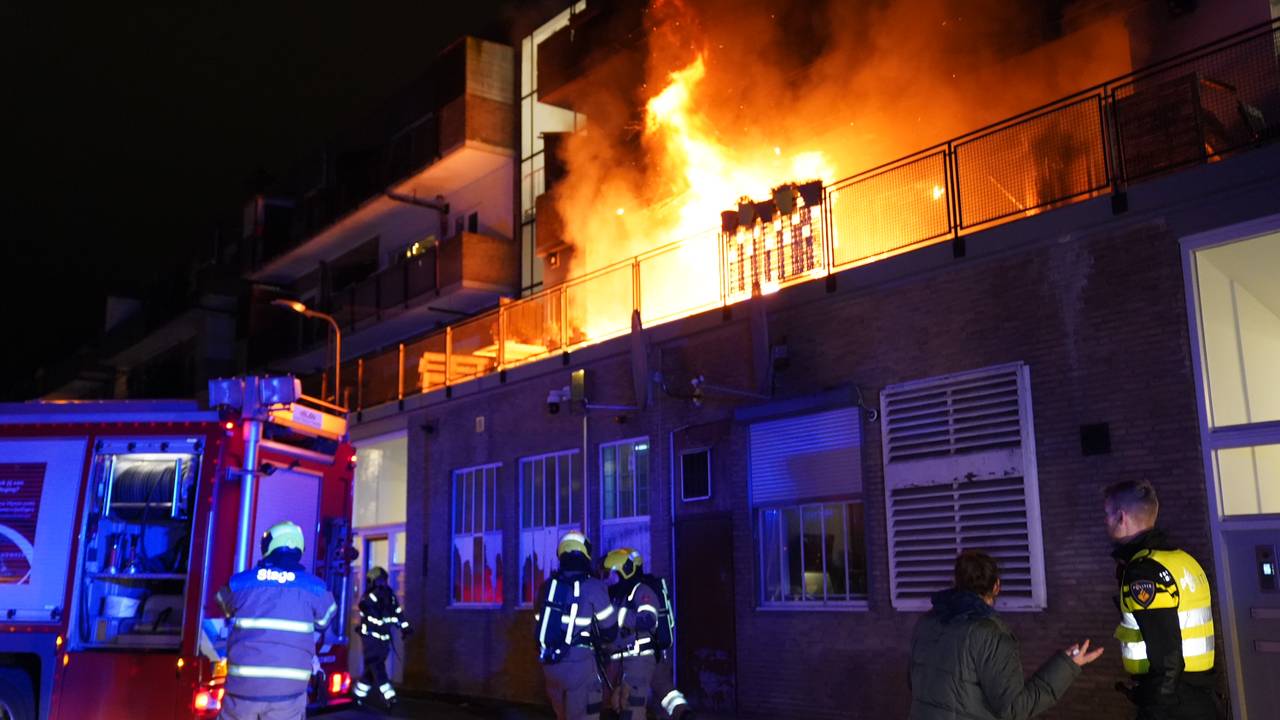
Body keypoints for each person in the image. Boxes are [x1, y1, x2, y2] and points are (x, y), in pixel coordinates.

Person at [908, 550, 1103, 719]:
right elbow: (1013, 709)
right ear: (996, 586)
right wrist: (1067, 666)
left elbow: (914, 681)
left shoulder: (927, 623)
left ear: (957, 582)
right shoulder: (990, 635)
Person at [1104, 480, 1217, 719]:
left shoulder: (1144, 571)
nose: (1105, 521)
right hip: (1198, 696)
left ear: (1121, 517)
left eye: (1107, 514)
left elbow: (1166, 652)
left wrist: (1157, 706)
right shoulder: (1182, 560)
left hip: (1172, 702)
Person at [215, 521, 338, 720]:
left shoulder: (241, 582)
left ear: (268, 547)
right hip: (288, 692)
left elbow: (223, 603)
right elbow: (325, 620)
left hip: (243, 690)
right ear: (299, 548)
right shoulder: (316, 588)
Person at [535, 531, 618, 720]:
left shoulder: (548, 586)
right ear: (585, 555)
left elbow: (540, 620)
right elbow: (610, 631)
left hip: (551, 666)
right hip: (579, 667)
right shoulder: (594, 586)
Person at [629, 550, 693, 720]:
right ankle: (683, 712)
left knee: (634, 700)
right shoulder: (650, 585)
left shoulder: (638, 590)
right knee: (666, 690)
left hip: (639, 657)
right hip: (657, 653)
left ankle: (680, 712)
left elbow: (645, 620)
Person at [603, 548, 661, 720]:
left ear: (627, 570)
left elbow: (648, 619)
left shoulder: (642, 591)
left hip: (638, 660)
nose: (614, 578)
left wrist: (618, 614)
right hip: (621, 661)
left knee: (632, 709)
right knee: (619, 707)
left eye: (616, 573)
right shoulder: (621, 594)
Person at [354, 566, 412, 707]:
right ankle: (389, 696)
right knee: (378, 667)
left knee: (371, 670)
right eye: (380, 581)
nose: (382, 583)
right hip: (372, 640)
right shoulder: (370, 598)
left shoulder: (389, 595)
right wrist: (394, 621)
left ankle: (358, 695)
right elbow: (377, 617)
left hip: (383, 640)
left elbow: (397, 612)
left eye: (383, 580)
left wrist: (405, 627)